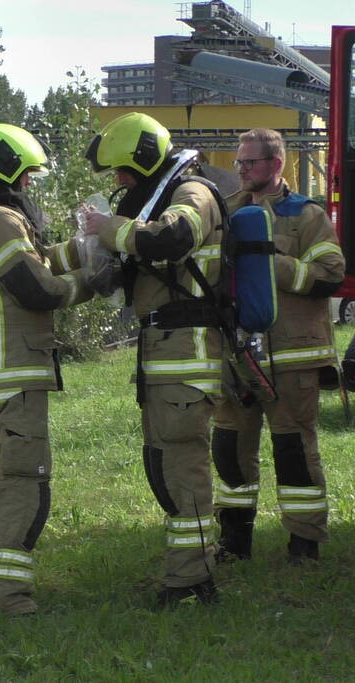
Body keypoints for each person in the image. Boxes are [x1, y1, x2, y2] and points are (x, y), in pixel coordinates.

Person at [0, 124, 92, 620]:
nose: (29, 187)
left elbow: (37, 262)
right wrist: (94, 280)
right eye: (27, 177)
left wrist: (82, 248)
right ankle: (9, 602)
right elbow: (38, 290)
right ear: (7, 169)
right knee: (23, 484)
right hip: (14, 379)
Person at [83, 113, 225, 606]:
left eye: (123, 170)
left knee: (183, 464)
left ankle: (192, 579)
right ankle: (189, 571)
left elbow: (172, 240)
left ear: (144, 159)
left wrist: (112, 228)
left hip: (186, 354)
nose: (120, 181)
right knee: (163, 462)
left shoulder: (194, 193)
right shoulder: (155, 196)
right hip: (163, 352)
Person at [211, 129, 345, 564]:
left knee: (293, 453)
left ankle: (304, 544)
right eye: (239, 162)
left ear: (277, 164)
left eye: (250, 162)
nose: (242, 169)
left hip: (291, 358)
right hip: (236, 358)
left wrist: (271, 260)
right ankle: (234, 540)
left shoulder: (305, 215)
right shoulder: (225, 213)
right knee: (230, 451)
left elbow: (330, 274)